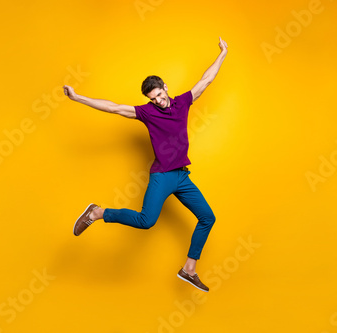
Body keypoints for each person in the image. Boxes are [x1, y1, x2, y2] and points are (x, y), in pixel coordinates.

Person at [63, 37, 228, 292]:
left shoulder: (183, 102)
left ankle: (189, 269)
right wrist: (78, 98)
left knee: (207, 217)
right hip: (162, 175)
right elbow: (114, 108)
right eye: (154, 98)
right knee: (146, 221)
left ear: (165, 87)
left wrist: (223, 53)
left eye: (160, 94)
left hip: (182, 176)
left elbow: (205, 80)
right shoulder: (147, 112)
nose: (159, 100)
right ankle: (96, 213)